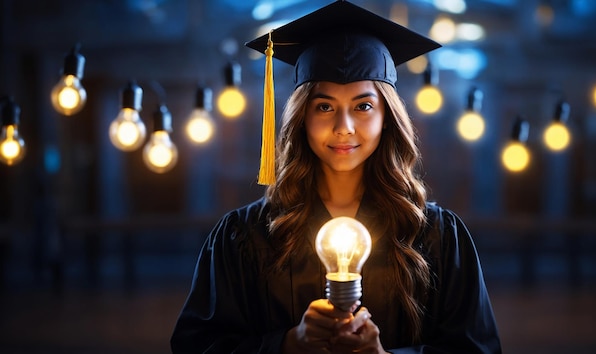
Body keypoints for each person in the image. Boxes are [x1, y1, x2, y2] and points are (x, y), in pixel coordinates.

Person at [171, 1, 502, 353]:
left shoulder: (436, 235)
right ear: (302, 117)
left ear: (386, 117)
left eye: (363, 106)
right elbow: (196, 346)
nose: (343, 128)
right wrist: (287, 345)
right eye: (324, 106)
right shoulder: (243, 236)